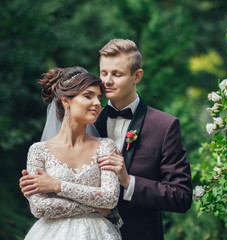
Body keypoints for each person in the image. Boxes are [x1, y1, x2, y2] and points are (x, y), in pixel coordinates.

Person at [20, 39, 193, 240]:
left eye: (116, 74)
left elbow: (182, 197)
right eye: (103, 73)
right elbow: (40, 201)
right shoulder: (87, 119)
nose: (107, 81)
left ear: (137, 76)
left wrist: (129, 181)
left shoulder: (164, 126)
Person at [22, 66, 122, 240]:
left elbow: (110, 198)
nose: (98, 103)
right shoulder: (38, 151)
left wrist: (57, 186)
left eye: (99, 97)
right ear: (65, 101)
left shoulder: (106, 146)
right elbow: (39, 208)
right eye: (88, 96)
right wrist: (98, 207)